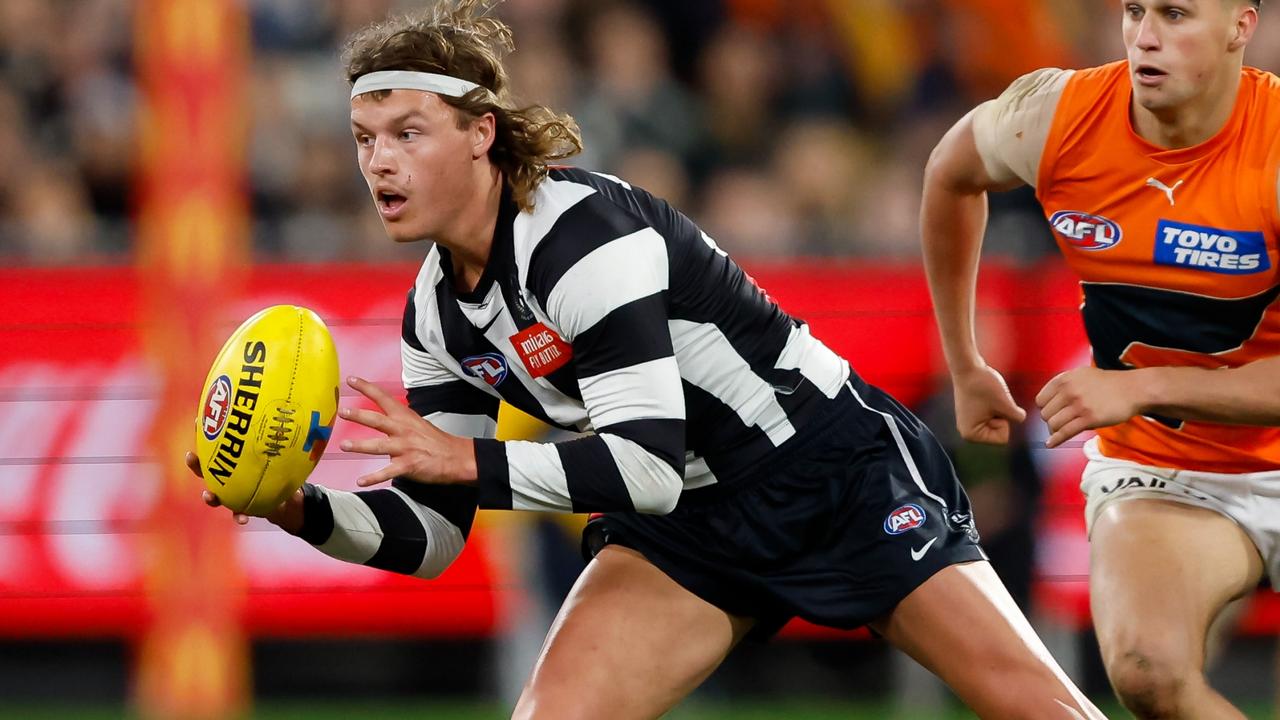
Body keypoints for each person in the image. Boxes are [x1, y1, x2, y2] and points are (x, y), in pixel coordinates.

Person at [188, 2, 1103, 718]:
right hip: (691, 526)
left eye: (407, 133)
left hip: (830, 473)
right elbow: (432, 540)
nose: (378, 164)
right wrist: (297, 506)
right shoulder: (436, 314)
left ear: (482, 133)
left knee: (1037, 708)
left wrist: (467, 460)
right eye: (364, 139)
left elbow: (647, 464)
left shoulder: (581, 236)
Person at [921, 0, 1280, 717]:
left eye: (1176, 15)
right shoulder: (1058, 116)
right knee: (1147, 672)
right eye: (1134, 10)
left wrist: (1141, 386)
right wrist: (965, 363)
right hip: (1167, 467)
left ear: (1242, 25)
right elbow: (949, 174)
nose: (1145, 37)